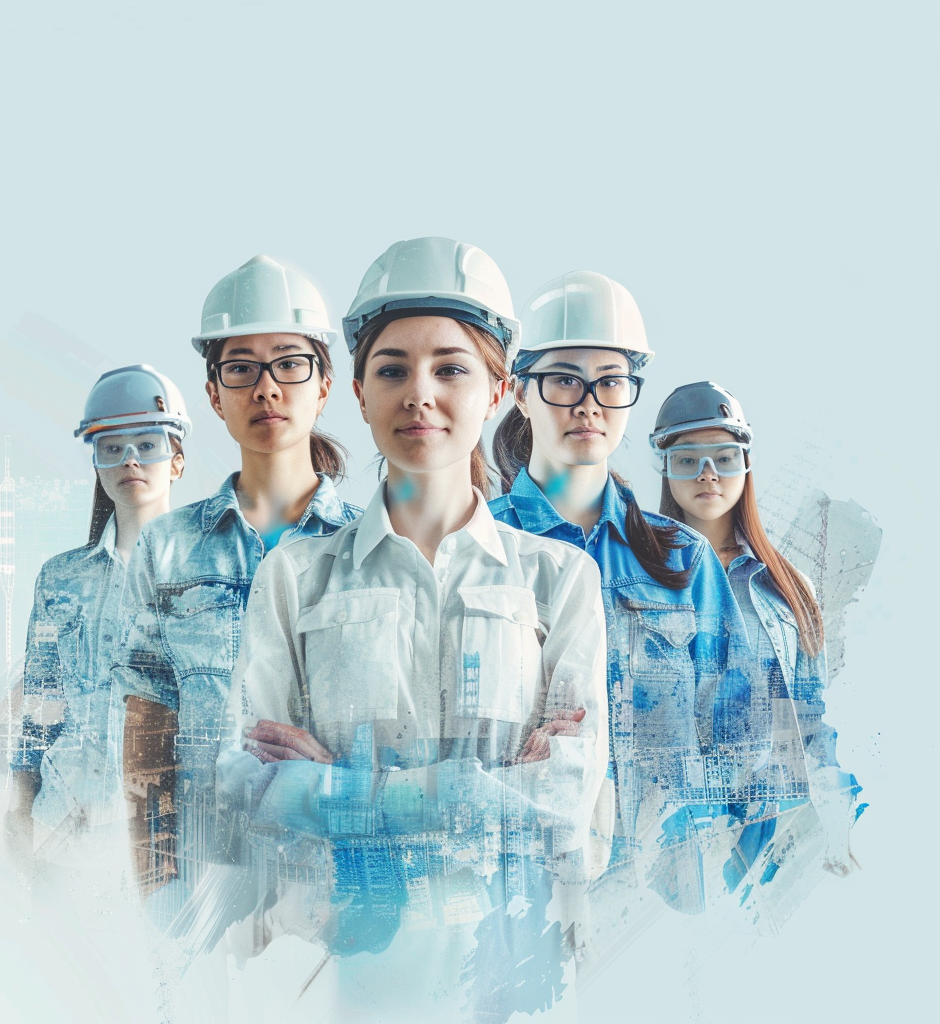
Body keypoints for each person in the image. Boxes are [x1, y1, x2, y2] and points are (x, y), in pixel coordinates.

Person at [216, 238, 612, 1021]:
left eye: (451, 368)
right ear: (357, 392)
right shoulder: (296, 579)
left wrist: (339, 789)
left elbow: (565, 796)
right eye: (392, 369)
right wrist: (479, 786)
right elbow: (249, 787)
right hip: (340, 975)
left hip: (510, 968)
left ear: (500, 389)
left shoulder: (558, 581)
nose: (419, 394)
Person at [489, 271, 747, 916]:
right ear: (519, 392)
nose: (589, 402)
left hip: (661, 902)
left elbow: (746, 743)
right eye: (563, 379)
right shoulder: (471, 550)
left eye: (611, 380)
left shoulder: (683, 561)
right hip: (514, 898)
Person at [115, 256, 361, 903]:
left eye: (289, 363)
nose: (267, 387)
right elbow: (148, 737)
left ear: (325, 384)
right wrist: (158, 895)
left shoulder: (375, 553)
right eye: (241, 367)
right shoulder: (166, 549)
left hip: (341, 891)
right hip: (205, 899)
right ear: (214, 393)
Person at [650, 381, 861, 914]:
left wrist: (839, 825)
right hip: (677, 834)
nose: (707, 474)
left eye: (724, 457)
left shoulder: (789, 589)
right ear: (665, 469)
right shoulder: (634, 582)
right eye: (687, 459)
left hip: (776, 830)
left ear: (746, 465)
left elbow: (812, 719)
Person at [7, 365, 190, 863]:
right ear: (97, 462)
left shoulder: (210, 577)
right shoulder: (60, 578)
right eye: (112, 448)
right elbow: (40, 705)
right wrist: (19, 814)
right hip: (61, 833)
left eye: (147, 445)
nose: (129, 460)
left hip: (163, 840)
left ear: (176, 460)